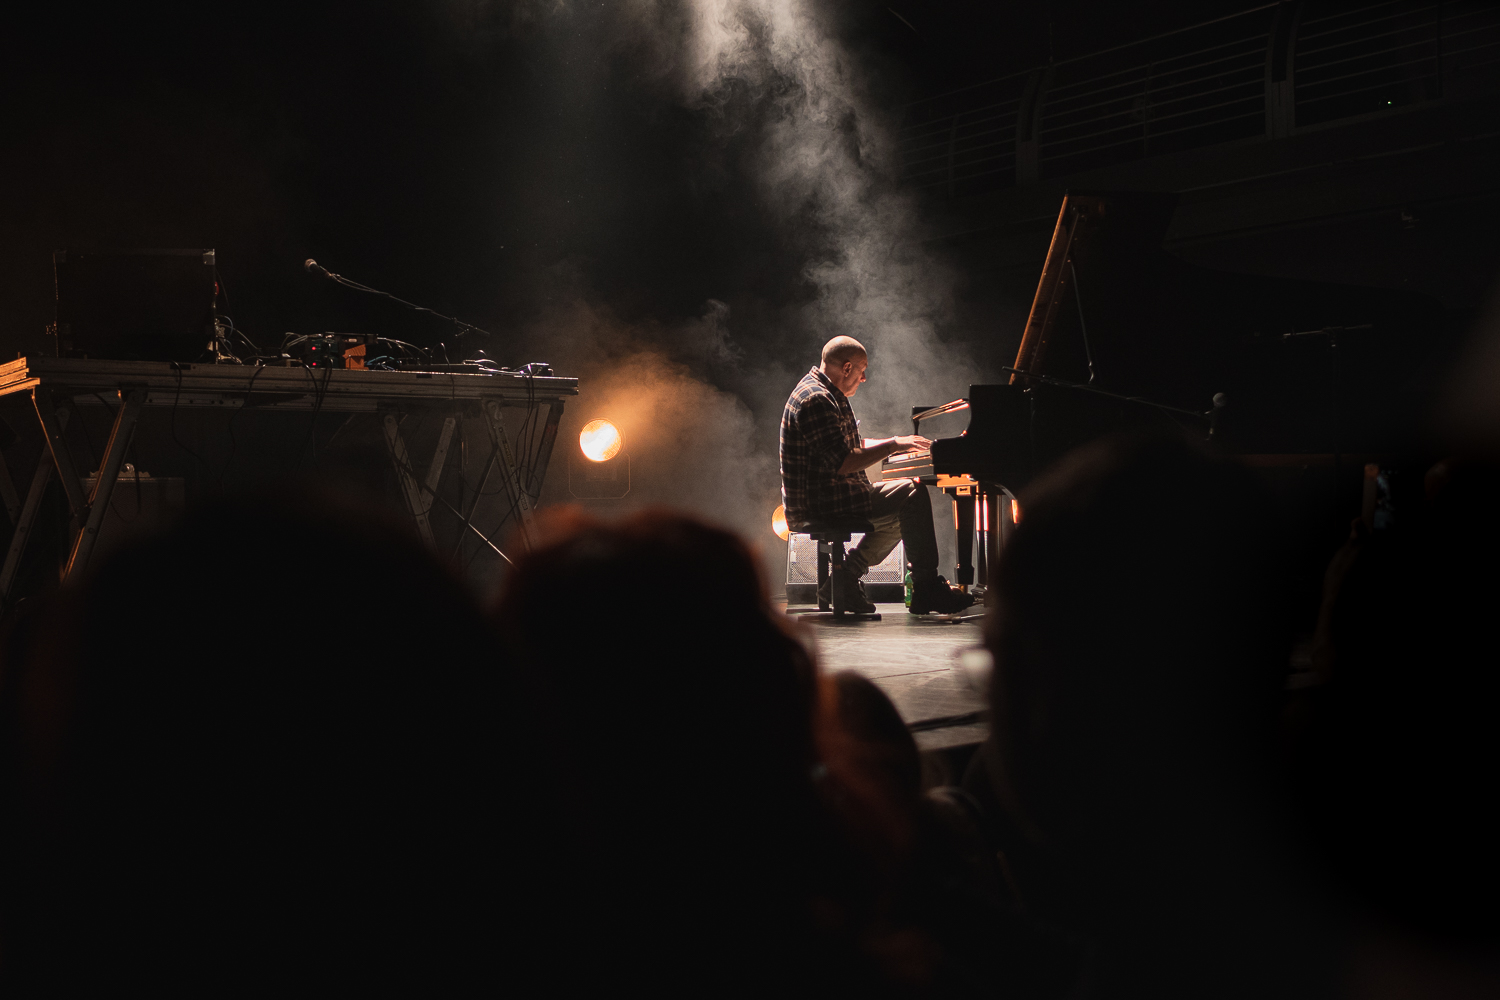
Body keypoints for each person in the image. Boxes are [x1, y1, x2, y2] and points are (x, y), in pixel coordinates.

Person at [779, 336, 973, 614]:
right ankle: (926, 587)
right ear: (847, 368)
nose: (864, 378)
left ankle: (845, 579)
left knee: (905, 507)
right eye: (861, 370)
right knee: (912, 494)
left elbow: (847, 444)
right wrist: (893, 445)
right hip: (821, 502)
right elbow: (843, 461)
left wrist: (901, 444)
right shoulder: (817, 399)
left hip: (826, 495)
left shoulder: (823, 392)